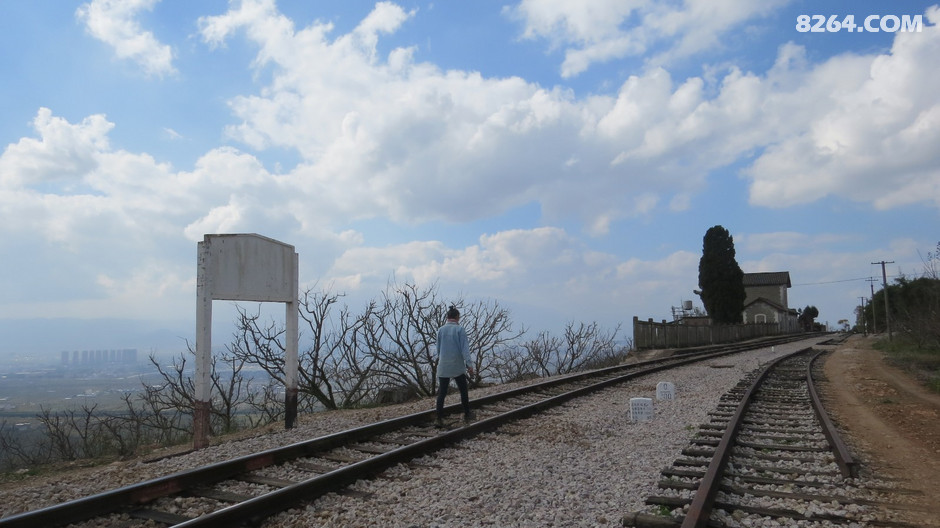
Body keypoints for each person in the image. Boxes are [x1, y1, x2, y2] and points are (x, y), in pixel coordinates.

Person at [435, 305, 475, 426]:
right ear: (457, 317)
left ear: (447, 317)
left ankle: (438, 418)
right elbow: (465, 349)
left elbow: (438, 349)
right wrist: (469, 365)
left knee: (442, 392)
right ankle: (467, 413)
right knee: (463, 390)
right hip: (457, 365)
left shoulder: (440, 330)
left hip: (443, 365)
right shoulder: (460, 329)